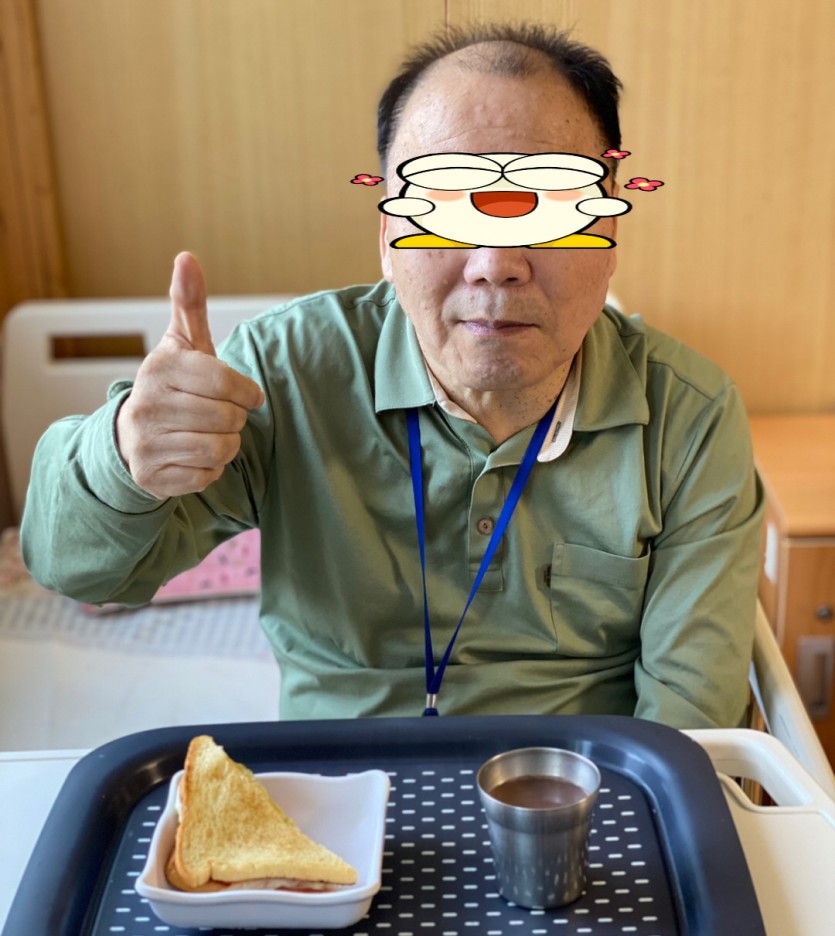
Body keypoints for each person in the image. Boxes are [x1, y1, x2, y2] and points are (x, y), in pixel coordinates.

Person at [20, 23, 763, 728]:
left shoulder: (688, 416)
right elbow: (74, 570)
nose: (494, 263)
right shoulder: (286, 372)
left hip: (582, 789)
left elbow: (690, 719)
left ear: (607, 233)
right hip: (339, 785)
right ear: (387, 237)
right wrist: (122, 457)